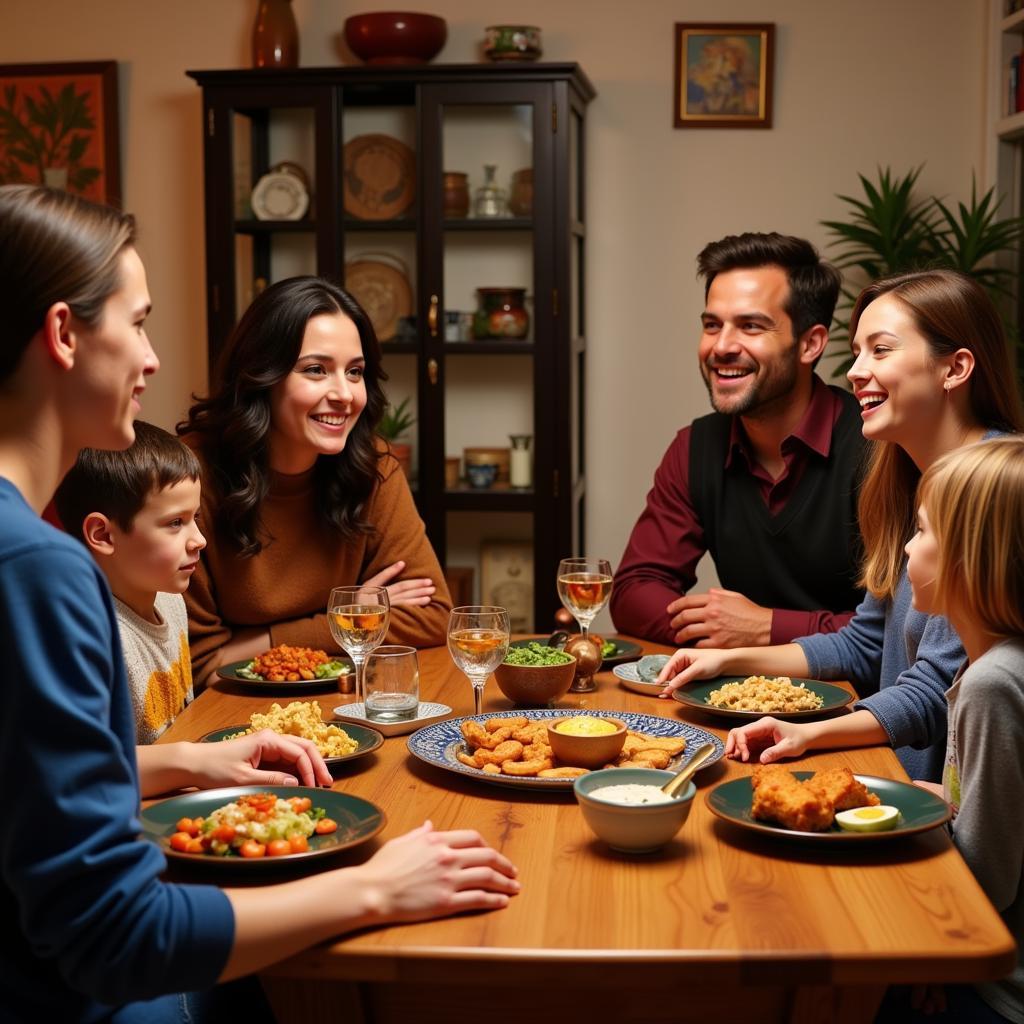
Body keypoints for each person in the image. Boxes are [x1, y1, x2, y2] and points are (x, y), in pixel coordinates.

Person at [0, 184, 518, 1022]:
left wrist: (190, 761)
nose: (155, 358)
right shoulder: (41, 565)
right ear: (63, 334)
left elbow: (37, 787)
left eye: (354, 372)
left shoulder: (31, 550)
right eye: (138, 323)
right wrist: (373, 890)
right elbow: (114, 934)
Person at [659, 269, 1024, 783]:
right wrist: (726, 659)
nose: (855, 371)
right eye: (856, 352)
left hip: (939, 808)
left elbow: (934, 690)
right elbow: (865, 644)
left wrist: (809, 732)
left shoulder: (991, 491)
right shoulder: (904, 476)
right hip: (901, 775)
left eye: (881, 350)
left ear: (955, 368)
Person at [178, 276, 451, 686]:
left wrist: (265, 640)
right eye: (316, 370)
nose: (344, 393)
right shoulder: (192, 478)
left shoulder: (373, 466)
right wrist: (348, 618)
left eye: (355, 372)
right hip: (231, 721)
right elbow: (200, 667)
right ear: (261, 376)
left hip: (345, 702)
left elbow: (434, 616)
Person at [611, 232, 866, 650]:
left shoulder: (880, 447)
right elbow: (636, 592)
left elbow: (903, 631)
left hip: (858, 705)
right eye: (712, 325)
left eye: (750, 326)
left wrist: (767, 628)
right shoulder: (695, 448)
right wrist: (720, 629)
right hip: (735, 699)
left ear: (810, 343)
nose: (722, 347)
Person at [877, 436, 1024, 1023]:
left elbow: (987, 878)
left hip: (999, 986)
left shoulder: (993, 686)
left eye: (921, 531)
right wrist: (930, 797)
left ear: (966, 556)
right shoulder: (986, 663)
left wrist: (934, 965)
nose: (909, 547)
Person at [54, 421, 205, 744]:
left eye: (196, 518)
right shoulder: (92, 636)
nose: (200, 540)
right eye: (176, 523)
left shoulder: (169, 599)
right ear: (103, 534)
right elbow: (90, 767)